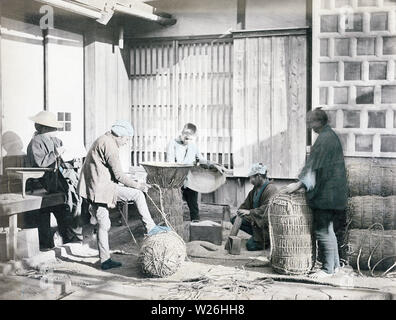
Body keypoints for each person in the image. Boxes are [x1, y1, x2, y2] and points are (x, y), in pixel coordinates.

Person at [77, 120, 170, 270]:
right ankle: (150, 227)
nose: (126, 143)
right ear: (120, 136)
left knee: (104, 224)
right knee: (138, 195)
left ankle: (105, 260)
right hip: (101, 188)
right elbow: (119, 175)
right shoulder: (110, 145)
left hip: (93, 188)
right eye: (127, 139)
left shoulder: (102, 139)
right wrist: (138, 185)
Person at [281, 108, 348, 279]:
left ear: (318, 122)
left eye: (311, 122)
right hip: (335, 194)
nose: (309, 126)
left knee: (322, 231)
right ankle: (335, 266)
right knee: (329, 229)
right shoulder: (329, 136)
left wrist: (296, 186)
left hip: (327, 194)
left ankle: (327, 269)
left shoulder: (324, 139)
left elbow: (312, 168)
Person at [26, 111, 83, 250]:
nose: (56, 131)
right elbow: (40, 163)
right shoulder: (36, 142)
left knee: (72, 203)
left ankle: (69, 237)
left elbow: (62, 161)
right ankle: (48, 243)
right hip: (42, 180)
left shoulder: (56, 141)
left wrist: (72, 157)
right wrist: (56, 153)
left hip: (57, 178)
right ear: (44, 128)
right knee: (53, 209)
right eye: (53, 128)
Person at [166, 123, 220, 221]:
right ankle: (174, 226)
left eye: (190, 139)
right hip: (176, 179)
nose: (188, 141)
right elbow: (170, 163)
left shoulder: (193, 145)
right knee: (174, 205)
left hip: (190, 179)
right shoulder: (172, 144)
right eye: (186, 138)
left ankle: (195, 226)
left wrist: (212, 164)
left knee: (193, 206)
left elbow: (201, 159)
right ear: (182, 133)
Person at [230, 163, 278, 251]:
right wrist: (239, 211)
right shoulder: (254, 190)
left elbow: (268, 208)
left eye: (252, 177)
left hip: (267, 226)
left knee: (250, 246)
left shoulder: (271, 189)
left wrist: (250, 212)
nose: (250, 180)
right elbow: (246, 205)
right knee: (234, 219)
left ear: (259, 176)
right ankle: (256, 236)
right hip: (257, 223)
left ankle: (267, 241)